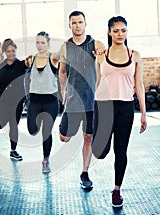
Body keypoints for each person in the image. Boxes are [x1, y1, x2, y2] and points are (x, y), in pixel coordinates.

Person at [92, 16, 147, 207]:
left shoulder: (135, 55)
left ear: (127, 32)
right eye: (116, 31)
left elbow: (139, 85)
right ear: (109, 32)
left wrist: (143, 113)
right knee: (100, 152)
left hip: (125, 108)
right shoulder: (101, 55)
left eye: (123, 30)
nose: (120, 34)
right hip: (104, 106)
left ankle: (117, 190)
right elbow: (98, 82)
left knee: (121, 151)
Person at [58, 11, 105, 189]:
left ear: (86, 23)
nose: (77, 26)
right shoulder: (65, 47)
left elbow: (103, 65)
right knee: (64, 138)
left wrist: (101, 53)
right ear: (70, 25)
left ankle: (84, 172)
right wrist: (63, 92)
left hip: (91, 100)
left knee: (88, 136)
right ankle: (64, 131)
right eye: (74, 23)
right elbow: (62, 72)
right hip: (72, 99)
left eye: (80, 22)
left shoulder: (97, 44)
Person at [25, 31, 60, 173]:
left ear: (48, 44)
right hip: (34, 101)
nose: (40, 45)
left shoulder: (53, 58)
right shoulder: (31, 59)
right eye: (38, 42)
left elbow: (62, 53)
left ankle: (46, 160)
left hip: (50, 101)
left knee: (47, 133)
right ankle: (37, 124)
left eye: (43, 42)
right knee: (32, 130)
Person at [0, 38, 30, 161]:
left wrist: (30, 61)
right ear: (5, 52)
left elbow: (27, 64)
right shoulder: (0, 66)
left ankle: (13, 150)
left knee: (13, 125)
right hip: (2, 100)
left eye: (13, 51)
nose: (11, 53)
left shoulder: (20, 64)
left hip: (16, 100)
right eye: (8, 51)